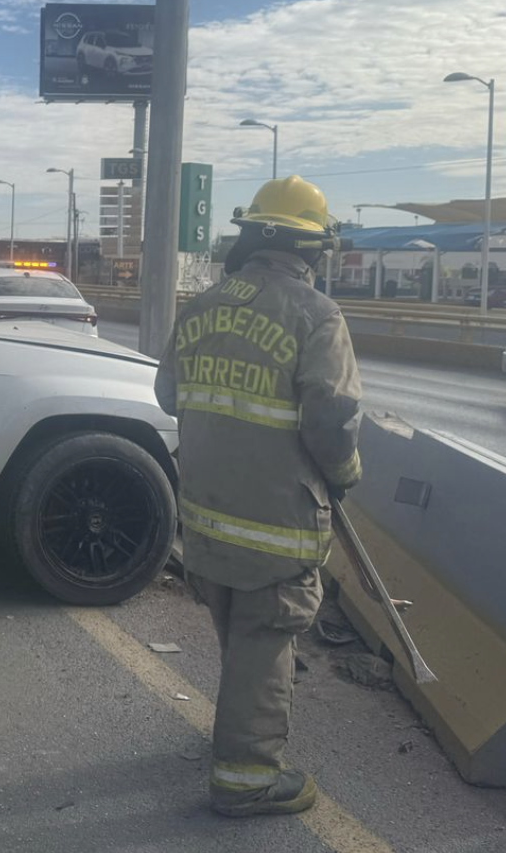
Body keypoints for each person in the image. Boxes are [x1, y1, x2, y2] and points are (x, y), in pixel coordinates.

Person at [154, 175, 362, 817]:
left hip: (208, 519)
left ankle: (234, 737)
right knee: (266, 642)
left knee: (238, 636)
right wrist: (347, 472)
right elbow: (331, 421)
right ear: (313, 250)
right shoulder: (317, 315)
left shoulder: (203, 306)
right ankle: (246, 780)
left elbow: (168, 395)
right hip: (276, 524)